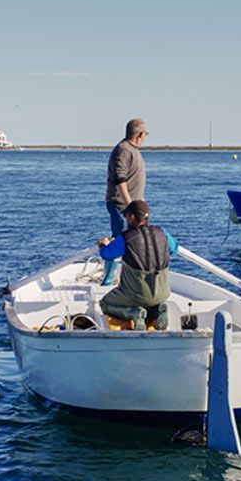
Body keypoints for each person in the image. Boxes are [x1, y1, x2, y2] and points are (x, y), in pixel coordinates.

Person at [97, 199, 178, 330]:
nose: (125, 219)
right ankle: (157, 311)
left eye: (126, 216)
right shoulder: (162, 232)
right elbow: (174, 248)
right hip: (163, 292)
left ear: (132, 217)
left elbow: (107, 254)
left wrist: (103, 244)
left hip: (136, 294)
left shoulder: (126, 238)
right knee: (149, 302)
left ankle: (132, 313)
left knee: (105, 303)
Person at [103, 118, 148, 284]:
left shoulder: (133, 150)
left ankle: (128, 279)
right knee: (119, 241)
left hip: (132, 208)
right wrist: (130, 206)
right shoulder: (124, 150)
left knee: (134, 243)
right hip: (121, 206)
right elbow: (119, 179)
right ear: (140, 134)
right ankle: (107, 282)